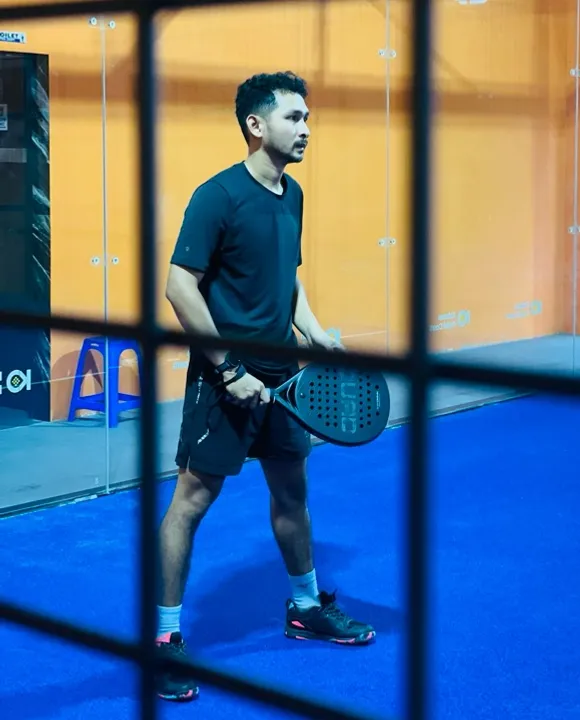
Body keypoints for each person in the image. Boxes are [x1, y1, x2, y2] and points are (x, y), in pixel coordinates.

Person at [155, 71, 375, 703]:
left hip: (284, 377)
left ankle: (305, 608)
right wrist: (228, 369)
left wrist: (315, 332)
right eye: (293, 117)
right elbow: (179, 286)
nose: (306, 128)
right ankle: (165, 639)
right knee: (192, 501)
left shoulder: (292, 194)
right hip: (224, 378)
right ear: (256, 125)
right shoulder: (218, 196)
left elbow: (288, 279)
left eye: (307, 118)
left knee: (292, 493)